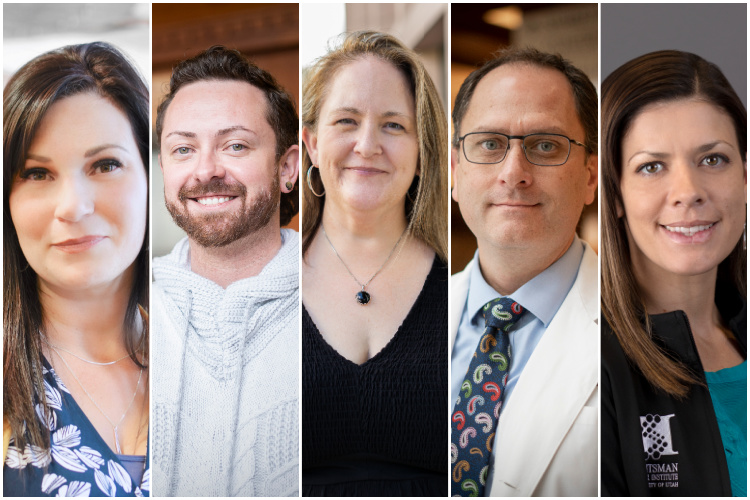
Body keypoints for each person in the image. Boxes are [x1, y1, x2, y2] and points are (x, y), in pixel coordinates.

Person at [300, 31, 448, 496]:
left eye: (394, 125)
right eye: (346, 121)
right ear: (311, 144)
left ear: (423, 153)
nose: (367, 145)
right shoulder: (264, 287)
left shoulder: (465, 288)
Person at [450, 47, 599, 497]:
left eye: (546, 145)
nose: (514, 174)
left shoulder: (650, 330)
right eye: (490, 144)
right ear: (454, 171)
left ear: (591, 175)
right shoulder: (406, 313)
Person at [151, 46, 300, 497]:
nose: (206, 171)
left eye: (235, 145)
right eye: (183, 149)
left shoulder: (338, 304)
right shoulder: (125, 305)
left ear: (287, 168)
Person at [3, 42, 150, 496]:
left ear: (151, 176)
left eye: (105, 164)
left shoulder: (210, 359)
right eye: (37, 173)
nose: (73, 206)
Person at [601, 50, 747, 497]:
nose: (688, 192)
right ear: (617, 195)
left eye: (713, 160)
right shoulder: (591, 362)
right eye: (651, 166)